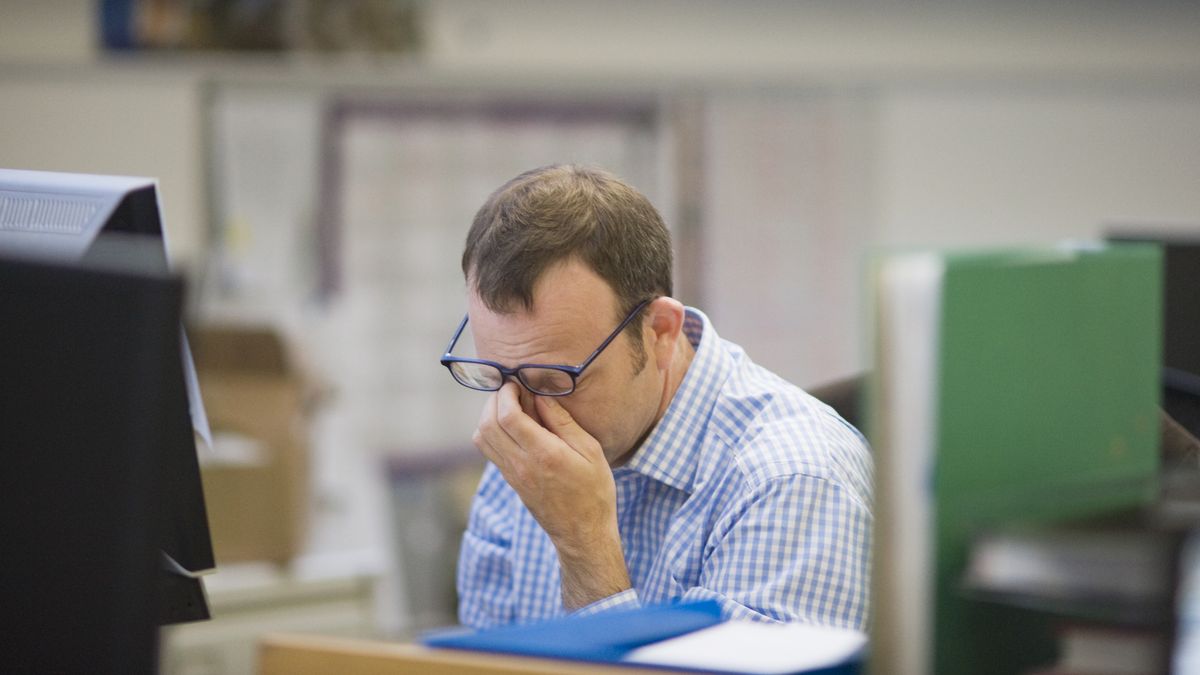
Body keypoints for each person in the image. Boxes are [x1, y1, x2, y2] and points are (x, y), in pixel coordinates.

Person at [440, 164, 873, 630]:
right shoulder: (524, 451)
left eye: (555, 380)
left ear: (660, 332)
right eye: (496, 375)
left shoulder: (791, 481)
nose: (521, 417)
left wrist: (584, 545)